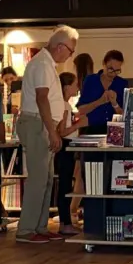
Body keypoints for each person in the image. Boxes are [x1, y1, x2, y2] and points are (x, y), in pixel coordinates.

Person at [15, 25, 79, 244]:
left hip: (43, 123)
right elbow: (42, 98)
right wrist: (52, 131)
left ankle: (40, 226)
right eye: (71, 50)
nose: (71, 55)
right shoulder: (42, 64)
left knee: (47, 179)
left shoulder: (47, 64)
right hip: (37, 123)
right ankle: (26, 229)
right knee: (39, 179)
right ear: (60, 46)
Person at [53, 71, 86, 236]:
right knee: (65, 185)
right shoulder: (64, 106)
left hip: (67, 147)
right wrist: (78, 124)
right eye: (74, 84)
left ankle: (66, 222)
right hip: (65, 147)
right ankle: (65, 223)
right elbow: (62, 131)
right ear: (67, 87)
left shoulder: (64, 105)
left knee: (66, 184)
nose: (77, 87)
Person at [76, 49, 128, 135]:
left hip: (114, 132)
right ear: (104, 64)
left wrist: (115, 104)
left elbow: (125, 115)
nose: (113, 74)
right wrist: (100, 101)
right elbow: (81, 110)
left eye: (117, 71)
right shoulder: (90, 81)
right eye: (110, 69)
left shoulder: (122, 84)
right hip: (91, 131)